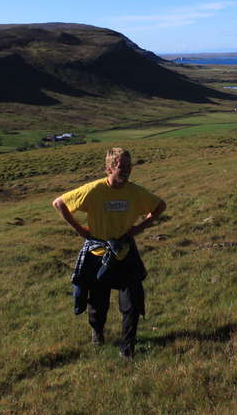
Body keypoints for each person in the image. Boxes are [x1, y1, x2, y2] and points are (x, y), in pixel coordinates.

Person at [52, 147, 165, 358]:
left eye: (129, 167)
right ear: (109, 168)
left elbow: (160, 206)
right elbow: (59, 203)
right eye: (122, 167)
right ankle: (97, 332)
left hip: (125, 250)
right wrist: (80, 230)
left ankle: (128, 345)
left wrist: (140, 228)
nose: (126, 171)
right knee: (98, 303)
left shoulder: (135, 192)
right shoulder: (93, 190)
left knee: (131, 302)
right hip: (98, 253)